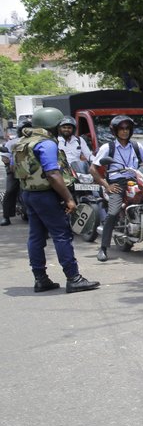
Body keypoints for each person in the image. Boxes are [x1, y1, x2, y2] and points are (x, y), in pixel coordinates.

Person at [11, 107, 100, 293]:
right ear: (52, 125)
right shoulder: (47, 144)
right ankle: (73, 278)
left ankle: (40, 279)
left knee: (35, 237)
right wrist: (69, 199)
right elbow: (52, 174)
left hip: (28, 194)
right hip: (46, 195)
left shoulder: (24, 142)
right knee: (62, 235)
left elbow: (14, 168)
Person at [90, 115, 143, 261]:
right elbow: (93, 169)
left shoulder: (136, 146)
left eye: (127, 128)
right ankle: (103, 248)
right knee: (112, 213)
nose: (125, 131)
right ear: (115, 131)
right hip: (117, 183)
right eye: (121, 129)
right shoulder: (108, 147)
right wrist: (106, 186)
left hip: (136, 180)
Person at [1, 119, 29, 226]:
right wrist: (11, 166)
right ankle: (6, 216)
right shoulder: (12, 143)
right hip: (15, 170)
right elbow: (5, 158)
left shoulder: (34, 141)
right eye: (24, 129)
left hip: (32, 171)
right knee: (10, 190)